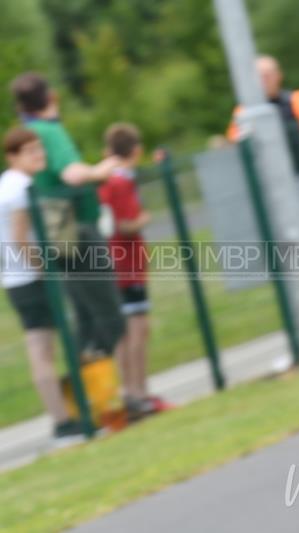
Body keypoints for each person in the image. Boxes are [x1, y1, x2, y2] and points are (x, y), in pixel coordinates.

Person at [10, 72, 126, 363]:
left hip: (57, 235)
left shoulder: (29, 131)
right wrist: (101, 171)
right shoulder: (49, 132)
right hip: (76, 231)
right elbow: (72, 174)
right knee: (109, 318)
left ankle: (86, 395)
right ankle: (102, 396)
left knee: (85, 317)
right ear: (52, 98)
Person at [227, 55, 299, 304]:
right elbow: (236, 148)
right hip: (274, 186)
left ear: (278, 76)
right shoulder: (245, 112)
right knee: (287, 241)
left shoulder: (295, 100)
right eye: (259, 76)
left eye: (269, 74)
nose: (265, 80)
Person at [0, 127, 84, 441]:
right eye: (30, 151)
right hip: (29, 278)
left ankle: (65, 416)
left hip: (15, 278)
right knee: (43, 350)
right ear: (13, 157)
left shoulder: (7, 184)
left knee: (41, 348)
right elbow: (21, 238)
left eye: (40, 149)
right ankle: (64, 420)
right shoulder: (20, 188)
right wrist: (44, 268)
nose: (39, 155)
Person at [97, 123, 167, 421]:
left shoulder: (106, 181)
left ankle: (132, 392)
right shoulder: (121, 182)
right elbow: (125, 224)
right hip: (128, 263)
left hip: (118, 263)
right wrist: (145, 217)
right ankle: (137, 392)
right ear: (135, 151)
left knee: (129, 330)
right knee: (136, 329)